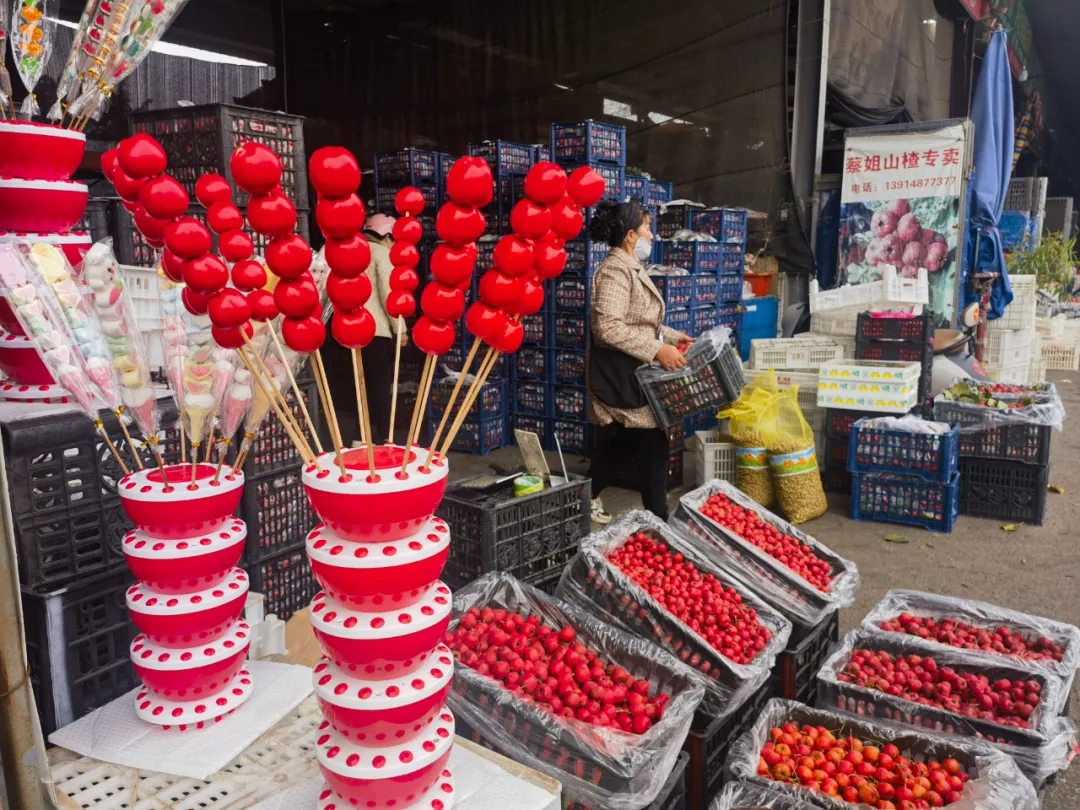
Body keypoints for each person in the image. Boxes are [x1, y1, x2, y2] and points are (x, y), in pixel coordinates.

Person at [586, 199, 693, 524]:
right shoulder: (614, 272)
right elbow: (607, 327)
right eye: (647, 227)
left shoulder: (631, 268)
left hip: (634, 372)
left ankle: (584, 495)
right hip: (620, 375)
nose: (652, 235)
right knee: (654, 444)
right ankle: (659, 520)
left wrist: (673, 337)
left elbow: (640, 320)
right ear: (631, 235)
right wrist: (657, 351)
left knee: (628, 441)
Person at [360, 213, 407, 445]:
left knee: (358, 382)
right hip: (375, 329)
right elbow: (389, 293)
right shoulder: (381, 253)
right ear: (387, 236)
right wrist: (401, 329)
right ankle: (383, 435)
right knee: (379, 383)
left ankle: (362, 433)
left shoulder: (349, 250)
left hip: (347, 328)